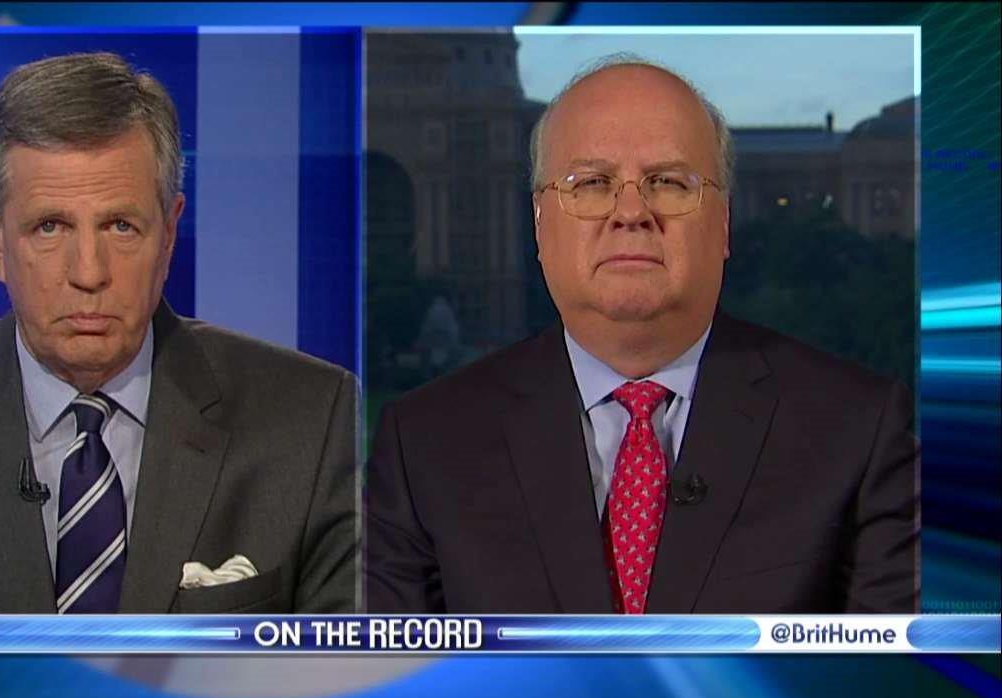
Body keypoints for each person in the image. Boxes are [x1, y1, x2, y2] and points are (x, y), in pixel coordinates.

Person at [0, 52, 358, 646]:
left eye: (121, 226)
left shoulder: (310, 419)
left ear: (169, 233)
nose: (89, 273)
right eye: (50, 227)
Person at [365, 56, 918, 614]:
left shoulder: (861, 431)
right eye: (591, 183)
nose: (631, 212)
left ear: (724, 223)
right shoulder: (423, 447)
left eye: (669, 183)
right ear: (539, 223)